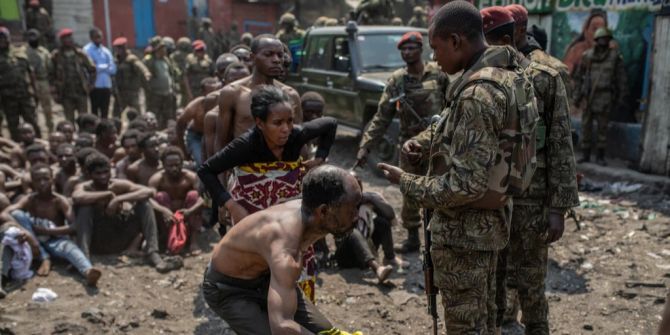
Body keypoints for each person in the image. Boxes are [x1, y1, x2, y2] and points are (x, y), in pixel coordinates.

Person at [378, 2, 534, 333]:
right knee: (486, 321)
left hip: (466, 236)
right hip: (488, 228)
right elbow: (453, 130)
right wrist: (424, 142)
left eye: (435, 48)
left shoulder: (476, 93)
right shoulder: (504, 77)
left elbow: (466, 186)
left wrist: (406, 181)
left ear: (456, 41)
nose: (434, 58)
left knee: (466, 327)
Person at [479, 6, 579, 334]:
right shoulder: (484, 72)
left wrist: (558, 208)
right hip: (492, 198)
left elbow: (562, 144)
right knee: (493, 280)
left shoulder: (547, 76)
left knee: (530, 284)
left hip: (531, 201)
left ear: (518, 32)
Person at [202, 165, 360, 335]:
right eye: (352, 209)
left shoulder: (310, 209)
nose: (356, 216)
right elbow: (282, 326)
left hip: (266, 276)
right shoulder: (286, 251)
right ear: (323, 211)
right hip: (228, 288)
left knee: (327, 332)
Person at [356, 31, 448, 254]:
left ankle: (440, 240)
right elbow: (382, 116)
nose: (407, 53)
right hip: (410, 146)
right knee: (409, 192)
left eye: (412, 48)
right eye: (403, 50)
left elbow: (452, 106)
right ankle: (413, 238)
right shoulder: (397, 80)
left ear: (421, 49)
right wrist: (365, 146)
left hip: (439, 144)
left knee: (441, 190)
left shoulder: (439, 74)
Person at [72, 153, 178, 273]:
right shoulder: (84, 187)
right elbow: (77, 197)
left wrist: (118, 199)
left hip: (120, 235)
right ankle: (84, 260)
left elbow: (148, 192)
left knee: (145, 204)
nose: (103, 176)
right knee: (84, 209)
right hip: (98, 239)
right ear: (89, 174)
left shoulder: (117, 185)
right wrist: (107, 194)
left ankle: (153, 253)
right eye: (98, 173)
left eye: (106, 172)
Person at [1, 163, 101, 286]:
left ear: (52, 179)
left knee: (70, 249)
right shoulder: (30, 199)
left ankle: (88, 271)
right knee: (17, 214)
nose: (42, 183)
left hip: (55, 240)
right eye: (38, 180)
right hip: (33, 242)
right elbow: (5, 214)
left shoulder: (59, 200)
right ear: (32, 182)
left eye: (46, 179)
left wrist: (45, 231)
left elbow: (74, 226)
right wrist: (26, 232)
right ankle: (44, 258)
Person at [216, 35, 303, 154]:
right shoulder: (233, 93)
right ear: (252, 58)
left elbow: (300, 142)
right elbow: (221, 141)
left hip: (281, 168)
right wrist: (219, 171)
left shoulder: (290, 95)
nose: (276, 60)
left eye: (280, 55)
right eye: (268, 54)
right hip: (244, 168)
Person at [573, 27, 627, 166]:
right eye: (601, 39)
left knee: (602, 128)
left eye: (606, 39)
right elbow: (579, 77)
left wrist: (621, 98)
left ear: (609, 40)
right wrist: (577, 96)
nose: (603, 41)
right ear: (596, 40)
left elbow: (621, 79)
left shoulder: (615, 57)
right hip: (588, 97)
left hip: (605, 96)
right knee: (586, 127)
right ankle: (585, 155)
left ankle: (600, 157)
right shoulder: (588, 56)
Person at [506, 5, 572, 98]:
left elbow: (563, 108)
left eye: (509, 28)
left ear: (522, 30)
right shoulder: (499, 62)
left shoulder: (554, 68)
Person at [149, 146, 204, 254]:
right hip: (167, 216)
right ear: (163, 165)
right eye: (170, 165)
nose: (174, 168)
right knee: (160, 196)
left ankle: (194, 241)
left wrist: (191, 210)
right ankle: (169, 241)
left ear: (182, 163)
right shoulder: (157, 179)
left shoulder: (191, 177)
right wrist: (164, 211)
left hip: (187, 214)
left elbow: (205, 197)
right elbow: (148, 200)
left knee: (194, 195)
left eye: (177, 164)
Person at [0, 27, 41, 142]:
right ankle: (18, 147)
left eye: (4, 38)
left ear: (8, 38)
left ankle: (38, 143)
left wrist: (35, 91)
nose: (2, 41)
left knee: (32, 121)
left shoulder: (20, 53)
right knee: (13, 125)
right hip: (7, 98)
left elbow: (31, 73)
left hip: (25, 96)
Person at [203, 62, 250, 160]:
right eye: (235, 81)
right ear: (224, 83)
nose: (240, 86)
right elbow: (213, 156)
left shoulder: (262, 109)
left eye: (244, 81)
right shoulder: (212, 116)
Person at [51, 28, 96, 123]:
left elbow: (92, 69)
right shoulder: (56, 56)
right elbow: (51, 75)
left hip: (81, 92)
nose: (68, 40)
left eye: (70, 38)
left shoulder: (80, 54)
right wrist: (54, 93)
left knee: (84, 119)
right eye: (65, 38)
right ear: (61, 41)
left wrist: (91, 85)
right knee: (69, 120)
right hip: (66, 94)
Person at [176, 77, 221, 166]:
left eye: (216, 91)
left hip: (217, 136)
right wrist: (184, 151)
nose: (214, 95)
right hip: (197, 136)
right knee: (202, 163)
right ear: (203, 93)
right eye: (210, 93)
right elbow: (179, 125)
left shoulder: (225, 103)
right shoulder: (195, 106)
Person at [144, 36, 181, 129]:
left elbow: (172, 74)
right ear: (157, 49)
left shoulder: (166, 60)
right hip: (155, 95)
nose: (165, 49)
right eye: (162, 48)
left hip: (168, 94)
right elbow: (144, 77)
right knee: (154, 116)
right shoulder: (149, 61)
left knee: (168, 117)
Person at [112, 37, 151, 117]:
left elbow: (140, 66)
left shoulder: (131, 59)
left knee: (137, 113)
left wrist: (146, 73)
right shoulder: (116, 60)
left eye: (121, 48)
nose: (119, 50)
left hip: (132, 92)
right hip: (120, 92)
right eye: (117, 48)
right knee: (116, 114)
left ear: (125, 48)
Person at [25, 29, 55, 133]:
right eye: (30, 37)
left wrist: (51, 84)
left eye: (35, 36)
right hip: (29, 84)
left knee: (48, 109)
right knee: (32, 109)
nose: (33, 39)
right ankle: (35, 132)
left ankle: (51, 130)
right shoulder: (24, 52)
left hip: (43, 82)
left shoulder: (44, 52)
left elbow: (50, 68)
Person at [84, 28, 116, 119]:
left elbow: (113, 69)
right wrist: (105, 67)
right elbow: (90, 68)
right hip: (95, 85)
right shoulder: (87, 50)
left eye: (100, 37)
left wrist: (99, 67)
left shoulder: (106, 51)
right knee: (94, 111)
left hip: (106, 85)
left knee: (105, 111)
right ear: (91, 37)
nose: (99, 39)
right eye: (96, 37)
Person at [563, 10, 608, 75]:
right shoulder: (577, 50)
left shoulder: (611, 50)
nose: (598, 34)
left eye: (601, 30)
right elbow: (565, 74)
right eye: (594, 29)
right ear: (586, 31)